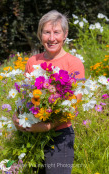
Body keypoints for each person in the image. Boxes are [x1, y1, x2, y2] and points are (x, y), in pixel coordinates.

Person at [13, 10, 85, 174]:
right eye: (46, 32)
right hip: (31, 135)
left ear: (65, 34)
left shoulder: (74, 64)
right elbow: (25, 98)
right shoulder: (33, 61)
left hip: (59, 137)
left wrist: (47, 126)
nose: (51, 38)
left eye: (56, 32)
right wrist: (16, 117)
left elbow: (73, 106)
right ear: (40, 35)